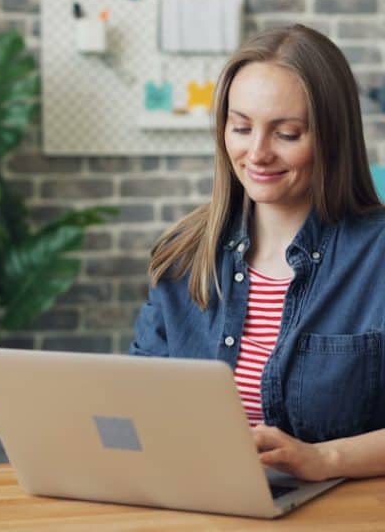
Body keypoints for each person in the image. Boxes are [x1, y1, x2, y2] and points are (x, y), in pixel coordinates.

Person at [129, 24, 385, 483]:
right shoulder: (182, 257)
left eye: (287, 134)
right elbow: (138, 402)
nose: (257, 153)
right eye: (242, 127)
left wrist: (324, 459)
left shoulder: (377, 256)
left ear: (331, 138)